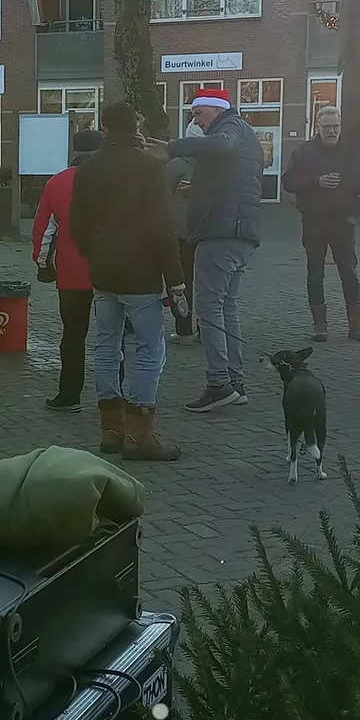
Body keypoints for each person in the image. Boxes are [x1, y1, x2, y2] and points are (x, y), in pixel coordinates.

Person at [70, 101, 186, 460]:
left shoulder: (88, 168)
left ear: (105, 127)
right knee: (150, 349)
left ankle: (112, 430)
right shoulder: (150, 167)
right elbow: (162, 227)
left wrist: (94, 254)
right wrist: (176, 279)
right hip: (141, 274)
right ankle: (139, 435)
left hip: (104, 272)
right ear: (135, 127)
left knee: (107, 345)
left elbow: (77, 223)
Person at [147, 88, 263, 413]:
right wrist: (197, 190)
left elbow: (222, 145)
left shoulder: (231, 127)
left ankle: (218, 383)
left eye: (198, 113)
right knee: (226, 307)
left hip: (221, 232)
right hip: (238, 231)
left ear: (217, 108)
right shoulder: (241, 134)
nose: (195, 120)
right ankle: (234, 382)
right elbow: (229, 176)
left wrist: (171, 147)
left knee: (209, 307)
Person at [281, 106, 360, 343]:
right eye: (327, 127)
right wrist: (316, 181)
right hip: (315, 220)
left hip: (344, 221)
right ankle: (319, 325)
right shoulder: (303, 151)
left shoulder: (352, 151)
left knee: (349, 271)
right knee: (315, 272)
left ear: (341, 127)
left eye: (335, 126)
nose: (331, 131)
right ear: (317, 127)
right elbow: (288, 181)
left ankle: (356, 324)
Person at [32, 129, 103, 411]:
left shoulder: (57, 183)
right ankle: (113, 397)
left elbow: (44, 231)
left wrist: (43, 265)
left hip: (72, 273)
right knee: (113, 337)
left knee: (73, 335)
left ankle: (69, 395)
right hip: (111, 271)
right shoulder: (113, 180)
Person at [164, 121, 205, 344]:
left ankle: (183, 330)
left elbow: (162, 194)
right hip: (208, 230)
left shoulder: (176, 165)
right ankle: (207, 330)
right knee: (207, 283)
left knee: (181, 281)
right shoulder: (217, 166)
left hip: (180, 231)